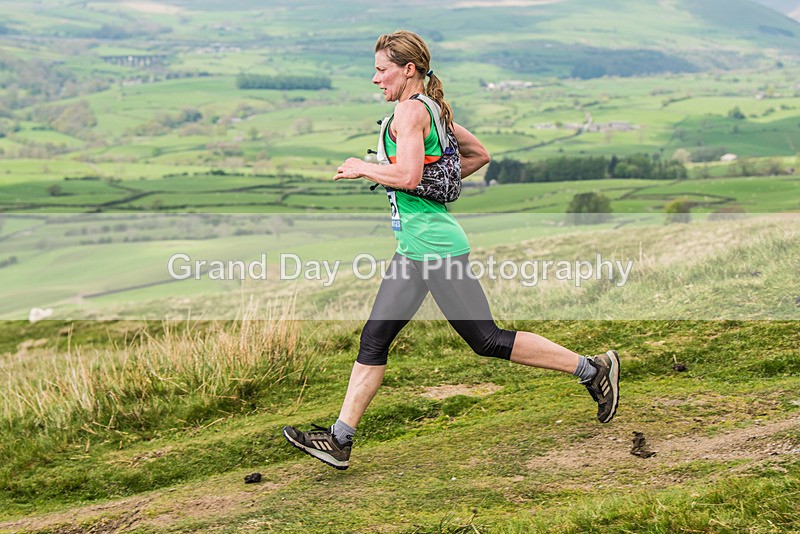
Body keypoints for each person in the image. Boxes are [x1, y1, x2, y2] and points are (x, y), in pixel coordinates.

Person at [283, 30, 619, 470]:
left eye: (381, 70)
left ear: (408, 70)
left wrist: (364, 167)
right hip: (415, 249)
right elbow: (478, 155)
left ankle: (593, 372)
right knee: (375, 338)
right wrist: (437, 180)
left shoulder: (409, 112)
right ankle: (339, 440)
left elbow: (405, 175)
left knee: (487, 339)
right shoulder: (433, 109)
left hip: (435, 249)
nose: (375, 79)